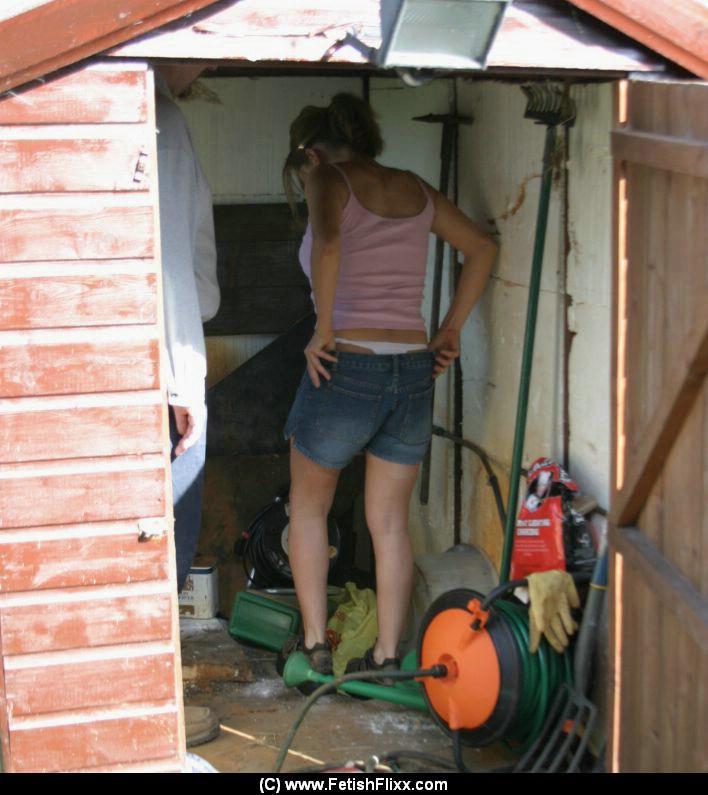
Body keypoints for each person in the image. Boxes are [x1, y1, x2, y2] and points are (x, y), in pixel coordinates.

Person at [281, 94, 498, 678]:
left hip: (346, 365)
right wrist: (448, 329)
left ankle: (315, 648)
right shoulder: (416, 188)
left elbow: (328, 245)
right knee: (390, 523)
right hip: (410, 369)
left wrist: (323, 330)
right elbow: (482, 246)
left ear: (311, 152)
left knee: (308, 507)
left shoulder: (327, 179)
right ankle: (387, 658)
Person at [155, 63, 221, 745]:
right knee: (168, 541)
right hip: (167, 378)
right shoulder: (166, 123)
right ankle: (155, 708)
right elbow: (188, 275)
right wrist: (179, 382)